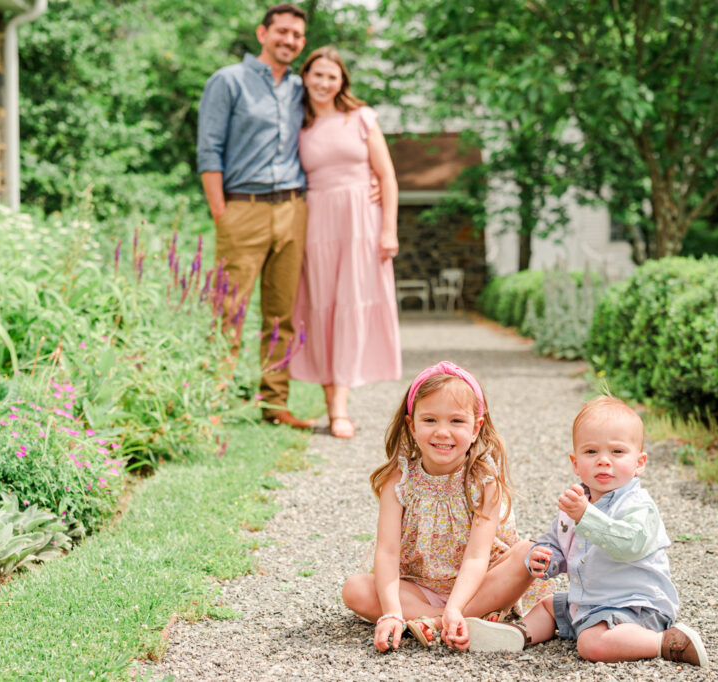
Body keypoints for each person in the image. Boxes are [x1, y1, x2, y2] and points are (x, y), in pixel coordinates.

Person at [465, 395, 709, 667]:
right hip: (589, 603)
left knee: (591, 643)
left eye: (617, 452)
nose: (603, 461)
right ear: (575, 462)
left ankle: (665, 642)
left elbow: (628, 543)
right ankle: (517, 634)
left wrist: (586, 516)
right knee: (549, 605)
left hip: (634, 605)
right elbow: (557, 541)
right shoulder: (577, 500)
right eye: (591, 452)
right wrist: (544, 557)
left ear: (639, 462)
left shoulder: (639, 506)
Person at [340, 361, 551, 652]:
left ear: (476, 428)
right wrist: (391, 611)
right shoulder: (399, 481)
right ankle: (461, 622)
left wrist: (456, 605)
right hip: (417, 589)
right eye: (430, 421)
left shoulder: (484, 482)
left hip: (479, 585)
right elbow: (387, 552)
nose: (442, 432)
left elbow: (477, 558)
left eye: (456, 421)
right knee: (356, 588)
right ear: (412, 426)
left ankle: (443, 622)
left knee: (528, 554)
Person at [196, 3, 314, 430]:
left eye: (297, 35)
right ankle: (213, 402)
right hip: (241, 207)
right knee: (228, 309)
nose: (290, 41)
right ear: (263, 33)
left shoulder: (303, 88)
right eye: (282, 31)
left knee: (283, 313)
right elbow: (209, 150)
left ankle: (274, 403)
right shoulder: (228, 81)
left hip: (293, 208)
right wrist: (220, 214)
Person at [288, 47, 402, 439]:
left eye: (331, 76)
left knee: (351, 307)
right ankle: (331, 406)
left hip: (362, 223)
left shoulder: (361, 117)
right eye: (317, 74)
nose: (323, 83)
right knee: (321, 309)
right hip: (317, 223)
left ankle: (342, 406)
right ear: (305, 76)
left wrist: (389, 230)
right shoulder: (297, 124)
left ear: (342, 81)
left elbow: (386, 176)